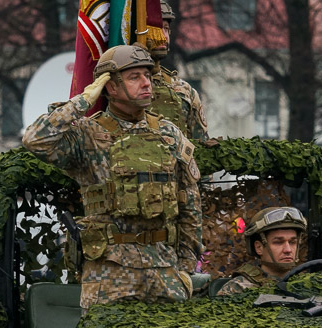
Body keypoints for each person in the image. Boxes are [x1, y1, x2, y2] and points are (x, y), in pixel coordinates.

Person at [22, 44, 203, 310]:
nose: (146, 83)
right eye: (134, 77)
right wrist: (82, 101)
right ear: (111, 87)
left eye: (148, 76)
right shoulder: (89, 135)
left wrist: (186, 269)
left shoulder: (169, 133)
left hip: (165, 271)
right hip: (109, 274)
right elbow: (35, 140)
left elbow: (190, 204)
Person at [146, 0, 209, 141]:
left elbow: (200, 146)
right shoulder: (114, 88)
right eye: (155, 29)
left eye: (166, 29)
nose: (163, 36)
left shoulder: (183, 91)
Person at [216, 206, 306, 295]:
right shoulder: (238, 289)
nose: (288, 250)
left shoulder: (306, 284)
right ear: (259, 248)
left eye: (292, 242)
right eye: (278, 242)